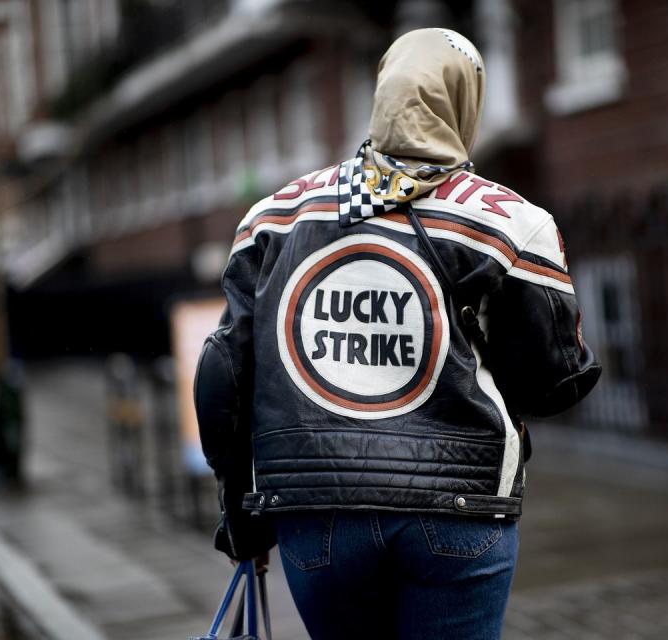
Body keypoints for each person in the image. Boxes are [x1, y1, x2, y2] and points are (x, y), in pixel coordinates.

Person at [195, 28, 600, 640]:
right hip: (460, 507)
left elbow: (222, 374)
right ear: (465, 101)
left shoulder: (274, 217)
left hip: (317, 512)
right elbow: (552, 384)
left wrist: (240, 513)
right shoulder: (512, 222)